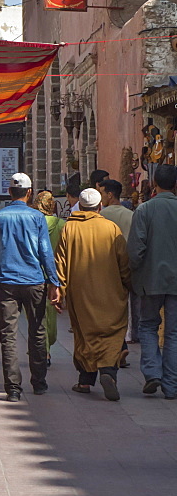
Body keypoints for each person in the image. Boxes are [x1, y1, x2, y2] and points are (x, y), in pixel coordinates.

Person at [0, 172, 59, 401]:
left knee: (8, 336)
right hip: (34, 280)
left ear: (9, 192)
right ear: (29, 193)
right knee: (37, 331)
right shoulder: (37, 218)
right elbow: (45, 252)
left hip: (6, 282)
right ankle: (39, 382)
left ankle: (13, 388)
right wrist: (53, 282)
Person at [54, 188, 131, 401]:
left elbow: (60, 262)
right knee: (111, 333)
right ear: (99, 207)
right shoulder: (111, 228)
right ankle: (108, 372)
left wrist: (60, 291)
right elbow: (123, 260)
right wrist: (127, 283)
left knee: (84, 335)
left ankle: (85, 380)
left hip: (80, 294)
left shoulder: (69, 228)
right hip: (110, 291)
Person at [127, 163, 177, 398]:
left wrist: (136, 275)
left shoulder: (144, 210)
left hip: (150, 280)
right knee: (173, 333)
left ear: (154, 183)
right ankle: (171, 385)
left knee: (147, 325)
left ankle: (153, 373)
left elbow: (136, 249)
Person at [100, 179, 137, 343]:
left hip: (107, 263)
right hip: (128, 263)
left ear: (110, 194)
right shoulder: (131, 215)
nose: (101, 197)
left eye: (103, 193)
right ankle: (129, 332)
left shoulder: (101, 216)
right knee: (129, 301)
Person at [33, 190, 66, 366]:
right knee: (50, 313)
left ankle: (40, 348)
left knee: (36, 315)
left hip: (33, 274)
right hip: (54, 275)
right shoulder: (61, 224)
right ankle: (46, 346)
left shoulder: (32, 223)